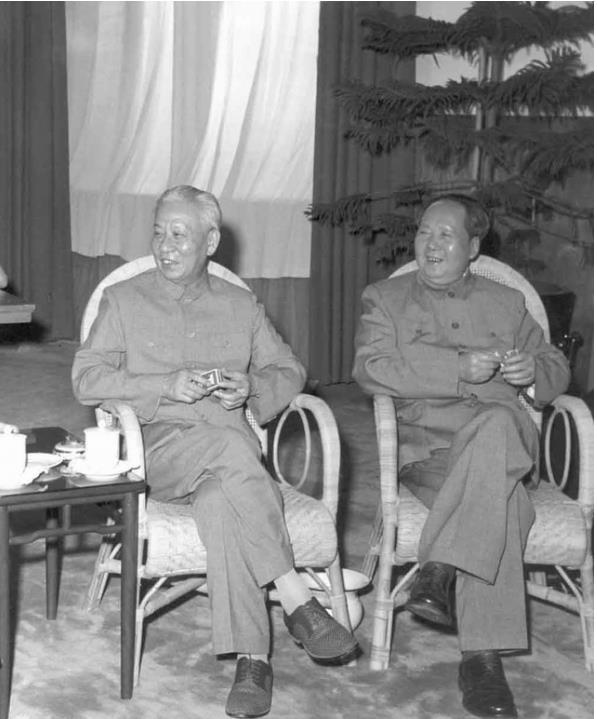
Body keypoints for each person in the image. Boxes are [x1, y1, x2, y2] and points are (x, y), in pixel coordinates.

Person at [72, 185, 358, 719]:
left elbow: (289, 369)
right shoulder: (125, 299)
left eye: (179, 235)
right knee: (231, 448)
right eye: (158, 232)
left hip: (230, 468)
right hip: (158, 455)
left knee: (226, 501)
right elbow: (86, 378)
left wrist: (251, 388)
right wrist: (162, 385)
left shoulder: (241, 305)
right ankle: (295, 594)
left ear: (210, 242)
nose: (165, 246)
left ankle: (253, 662)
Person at [353, 194, 570, 718]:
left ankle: (442, 566)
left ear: (473, 247)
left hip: (505, 442)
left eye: (445, 235)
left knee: (495, 423)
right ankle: (482, 662)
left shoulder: (506, 302)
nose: (430, 244)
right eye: (424, 232)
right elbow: (370, 368)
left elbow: (555, 366)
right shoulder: (385, 298)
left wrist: (532, 374)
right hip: (431, 454)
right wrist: (456, 370)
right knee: (502, 503)